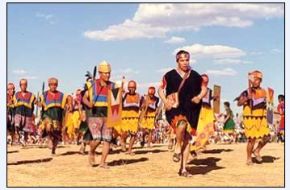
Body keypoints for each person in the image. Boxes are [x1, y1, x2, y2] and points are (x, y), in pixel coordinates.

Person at [158, 50, 204, 177]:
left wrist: (199, 97)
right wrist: (165, 101)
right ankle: (177, 146)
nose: (185, 62)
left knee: (188, 139)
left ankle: (183, 169)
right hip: (174, 107)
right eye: (182, 60)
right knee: (181, 123)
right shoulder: (169, 75)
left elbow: (204, 88)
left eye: (187, 60)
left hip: (190, 109)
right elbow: (160, 89)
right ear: (177, 61)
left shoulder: (195, 75)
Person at [82, 60, 116, 168]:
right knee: (96, 139)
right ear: (100, 73)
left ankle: (102, 163)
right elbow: (83, 98)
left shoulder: (113, 86)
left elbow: (117, 101)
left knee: (107, 139)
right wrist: (89, 103)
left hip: (108, 115)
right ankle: (91, 151)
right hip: (95, 114)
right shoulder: (92, 85)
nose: (108, 75)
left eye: (109, 73)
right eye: (105, 73)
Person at [236, 70, 271, 165]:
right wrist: (247, 98)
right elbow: (238, 103)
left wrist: (268, 116)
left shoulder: (264, 92)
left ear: (260, 80)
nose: (255, 81)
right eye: (253, 80)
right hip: (250, 117)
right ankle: (248, 158)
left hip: (261, 118)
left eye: (257, 80)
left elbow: (267, 105)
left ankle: (256, 151)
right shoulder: (247, 91)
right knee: (252, 139)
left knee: (267, 137)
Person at [39, 77, 67, 154]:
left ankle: (53, 149)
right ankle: (49, 138)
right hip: (47, 114)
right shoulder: (44, 94)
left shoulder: (61, 95)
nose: (53, 86)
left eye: (55, 84)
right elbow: (38, 103)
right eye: (51, 84)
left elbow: (67, 102)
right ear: (49, 85)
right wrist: (39, 103)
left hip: (58, 116)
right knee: (48, 127)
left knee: (56, 135)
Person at [190, 74, 215, 154]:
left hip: (208, 111)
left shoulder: (209, 90)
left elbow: (207, 99)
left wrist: (213, 98)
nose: (205, 82)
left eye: (207, 81)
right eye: (204, 81)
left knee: (209, 130)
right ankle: (192, 148)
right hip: (199, 110)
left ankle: (197, 146)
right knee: (200, 130)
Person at [116, 80, 142, 155]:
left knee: (134, 134)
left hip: (134, 118)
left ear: (136, 88)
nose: (131, 89)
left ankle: (129, 150)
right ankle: (122, 141)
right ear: (127, 88)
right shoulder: (124, 95)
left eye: (133, 87)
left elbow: (141, 107)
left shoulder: (139, 96)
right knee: (124, 133)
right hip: (125, 117)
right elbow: (118, 100)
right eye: (130, 87)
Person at [13, 79, 36, 146]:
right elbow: (13, 103)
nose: (24, 86)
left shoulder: (31, 95)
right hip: (18, 112)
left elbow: (36, 102)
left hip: (27, 114)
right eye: (22, 84)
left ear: (27, 85)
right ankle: (18, 135)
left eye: (25, 84)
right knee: (17, 124)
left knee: (26, 129)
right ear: (20, 86)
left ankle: (24, 141)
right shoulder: (16, 94)